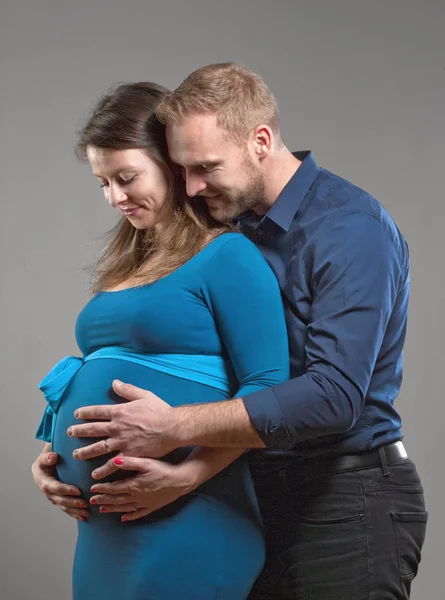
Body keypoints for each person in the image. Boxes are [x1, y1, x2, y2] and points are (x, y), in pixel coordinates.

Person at [57, 63, 428, 599]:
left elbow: (334, 396)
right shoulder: (229, 225)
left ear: (260, 141)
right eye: (182, 169)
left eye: (205, 167)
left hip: (345, 497)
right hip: (251, 495)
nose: (192, 185)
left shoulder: (349, 228)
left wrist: (174, 428)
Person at [31, 80, 290, 600]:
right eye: (103, 182)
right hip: (105, 534)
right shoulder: (127, 265)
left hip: (188, 516)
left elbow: (268, 389)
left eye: (126, 177)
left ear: (172, 163)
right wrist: (50, 459)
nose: (115, 197)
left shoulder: (228, 256)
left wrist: (187, 475)